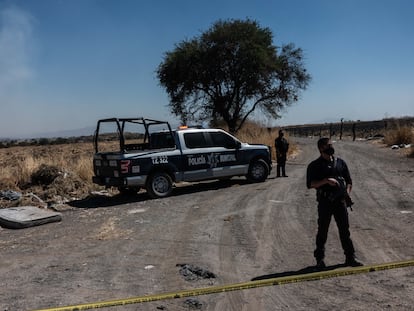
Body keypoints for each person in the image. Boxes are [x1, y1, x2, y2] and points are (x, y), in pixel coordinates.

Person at [306, 137, 363, 269]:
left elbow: (349, 181)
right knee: (323, 231)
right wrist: (326, 181)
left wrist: (347, 193)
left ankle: (350, 257)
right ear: (321, 148)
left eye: (331, 145)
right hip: (325, 202)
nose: (331, 147)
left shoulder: (340, 163)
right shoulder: (314, 166)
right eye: (328, 145)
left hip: (340, 202)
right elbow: (311, 184)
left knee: (344, 230)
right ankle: (319, 260)